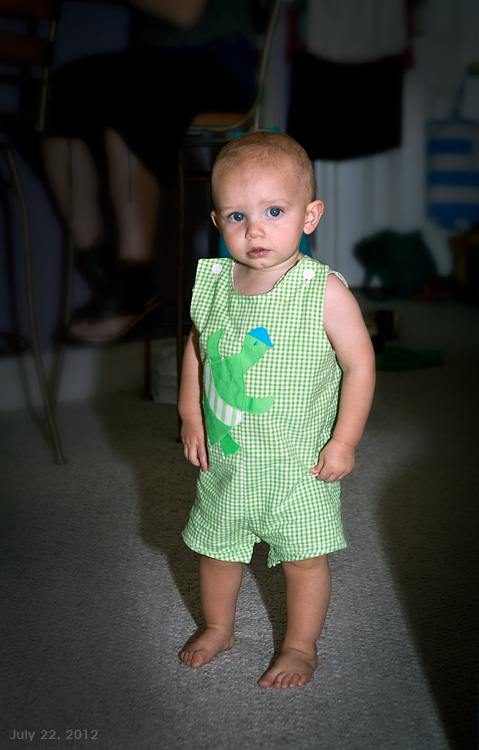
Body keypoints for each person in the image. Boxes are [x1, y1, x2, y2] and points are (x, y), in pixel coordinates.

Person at [178, 130, 376, 688]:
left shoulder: (323, 291)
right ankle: (219, 626)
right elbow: (198, 346)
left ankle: (299, 645)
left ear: (309, 216)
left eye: (273, 211)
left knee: (304, 559)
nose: (255, 230)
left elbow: (360, 366)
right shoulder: (215, 284)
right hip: (229, 458)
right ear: (217, 222)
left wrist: (345, 441)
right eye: (237, 216)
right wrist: (190, 414)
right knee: (217, 550)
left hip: (299, 465)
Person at [42, 0, 256, 342]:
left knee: (132, 93)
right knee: (64, 90)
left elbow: (186, 11)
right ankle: (98, 264)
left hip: (217, 62)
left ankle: (133, 279)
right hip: (151, 62)